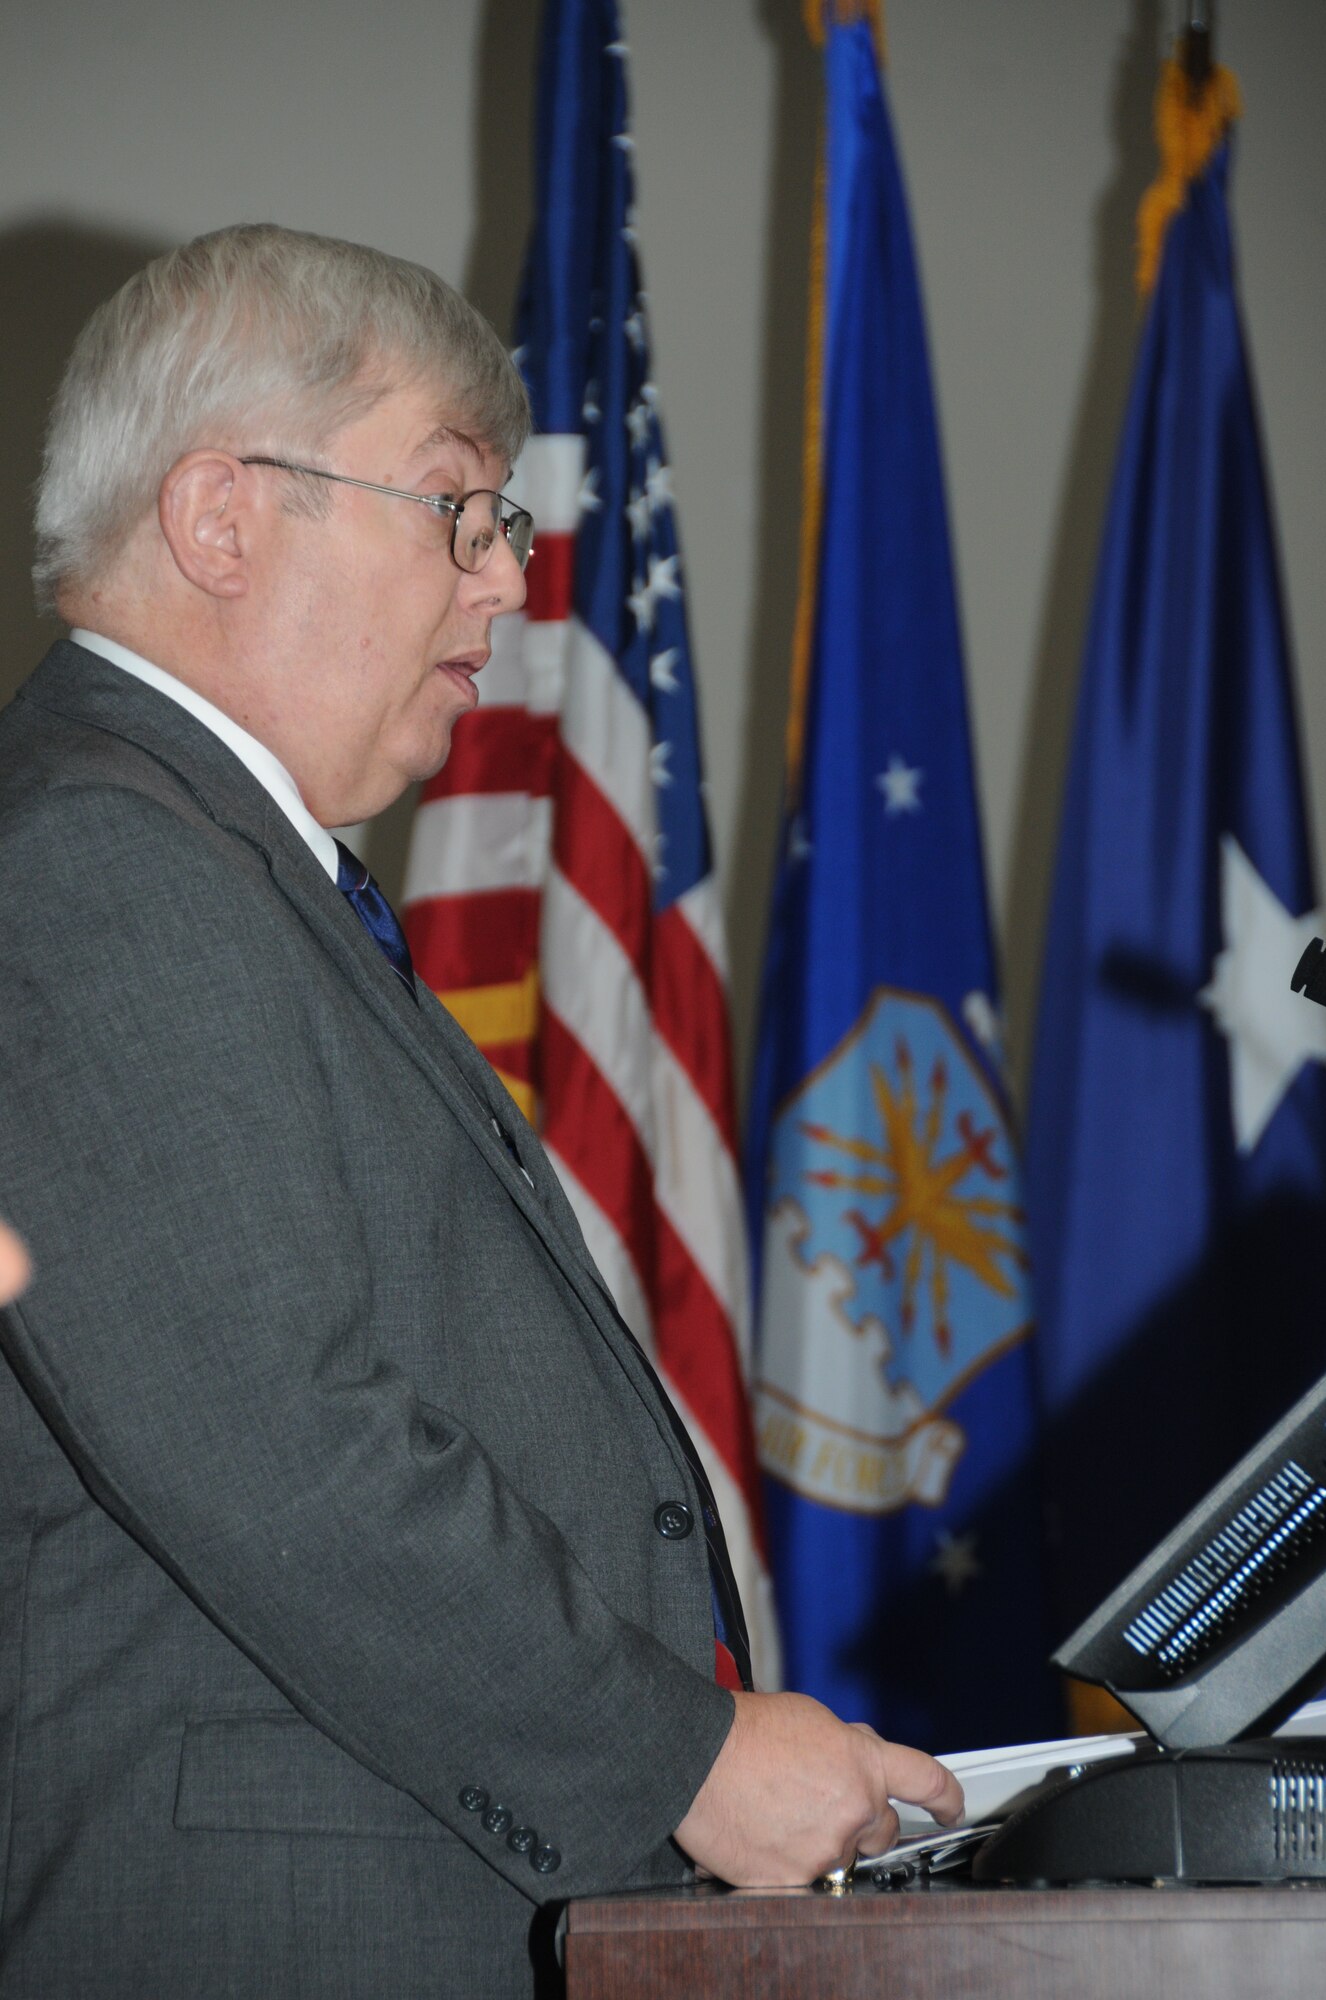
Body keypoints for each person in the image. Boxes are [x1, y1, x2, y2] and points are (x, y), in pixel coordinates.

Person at [0, 225, 961, 1999]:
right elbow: (282, 1442)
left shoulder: (223, 866)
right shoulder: (99, 862)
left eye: (502, 522)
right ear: (220, 520)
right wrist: (686, 1758)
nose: (510, 583)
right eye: (459, 506)